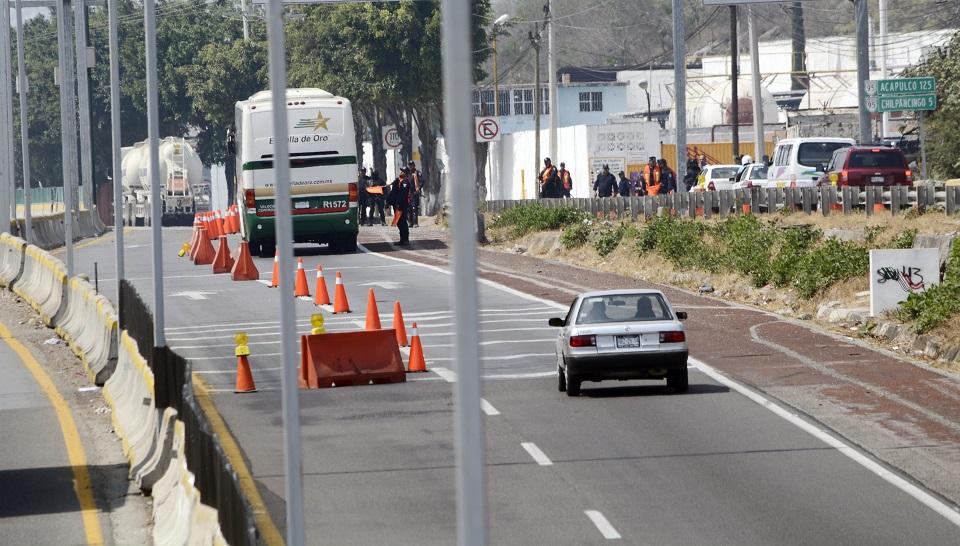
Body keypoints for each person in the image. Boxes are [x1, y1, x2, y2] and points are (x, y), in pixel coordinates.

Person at [387, 170, 414, 245]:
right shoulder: (398, 181)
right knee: (399, 222)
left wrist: (398, 203)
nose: (400, 173)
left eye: (402, 172)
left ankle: (405, 239)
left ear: (406, 174)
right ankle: (402, 239)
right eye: (401, 171)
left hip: (401, 205)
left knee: (402, 221)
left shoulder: (405, 182)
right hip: (396, 204)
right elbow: (393, 192)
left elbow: (402, 194)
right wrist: (389, 201)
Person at [407, 161, 422, 227]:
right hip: (408, 193)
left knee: (414, 208)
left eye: (412, 165)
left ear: (414, 165)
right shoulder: (407, 173)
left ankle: (415, 223)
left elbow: (422, 181)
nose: (411, 167)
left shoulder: (417, 173)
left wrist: (418, 188)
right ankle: (410, 222)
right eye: (409, 165)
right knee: (409, 208)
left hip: (414, 193)